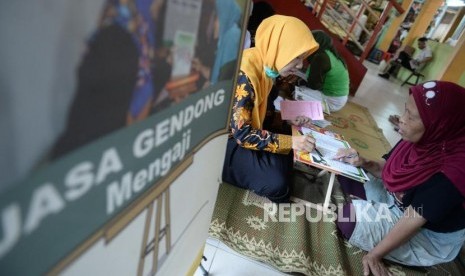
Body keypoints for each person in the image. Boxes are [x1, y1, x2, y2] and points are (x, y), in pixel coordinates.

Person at [334, 81, 465, 275]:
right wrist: (363, 162)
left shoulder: (455, 170)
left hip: (426, 232)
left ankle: (404, 246)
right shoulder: (423, 140)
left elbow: (414, 217)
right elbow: (387, 169)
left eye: (411, 117)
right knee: (346, 172)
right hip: (399, 201)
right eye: (405, 110)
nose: (401, 120)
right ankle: (374, 210)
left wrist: (375, 255)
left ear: (439, 125)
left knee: (347, 218)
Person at [222, 15, 319, 203]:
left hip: (239, 135)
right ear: (279, 48)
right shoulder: (246, 73)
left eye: (303, 58)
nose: (300, 65)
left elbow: (257, 112)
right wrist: (290, 143)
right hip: (222, 144)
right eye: (296, 56)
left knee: (286, 137)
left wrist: (284, 119)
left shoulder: (265, 66)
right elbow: (242, 134)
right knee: (278, 185)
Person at [304, 30, 350, 112]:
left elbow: (313, 85)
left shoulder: (320, 57)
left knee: (295, 91)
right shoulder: (329, 54)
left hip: (330, 101)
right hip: (339, 99)